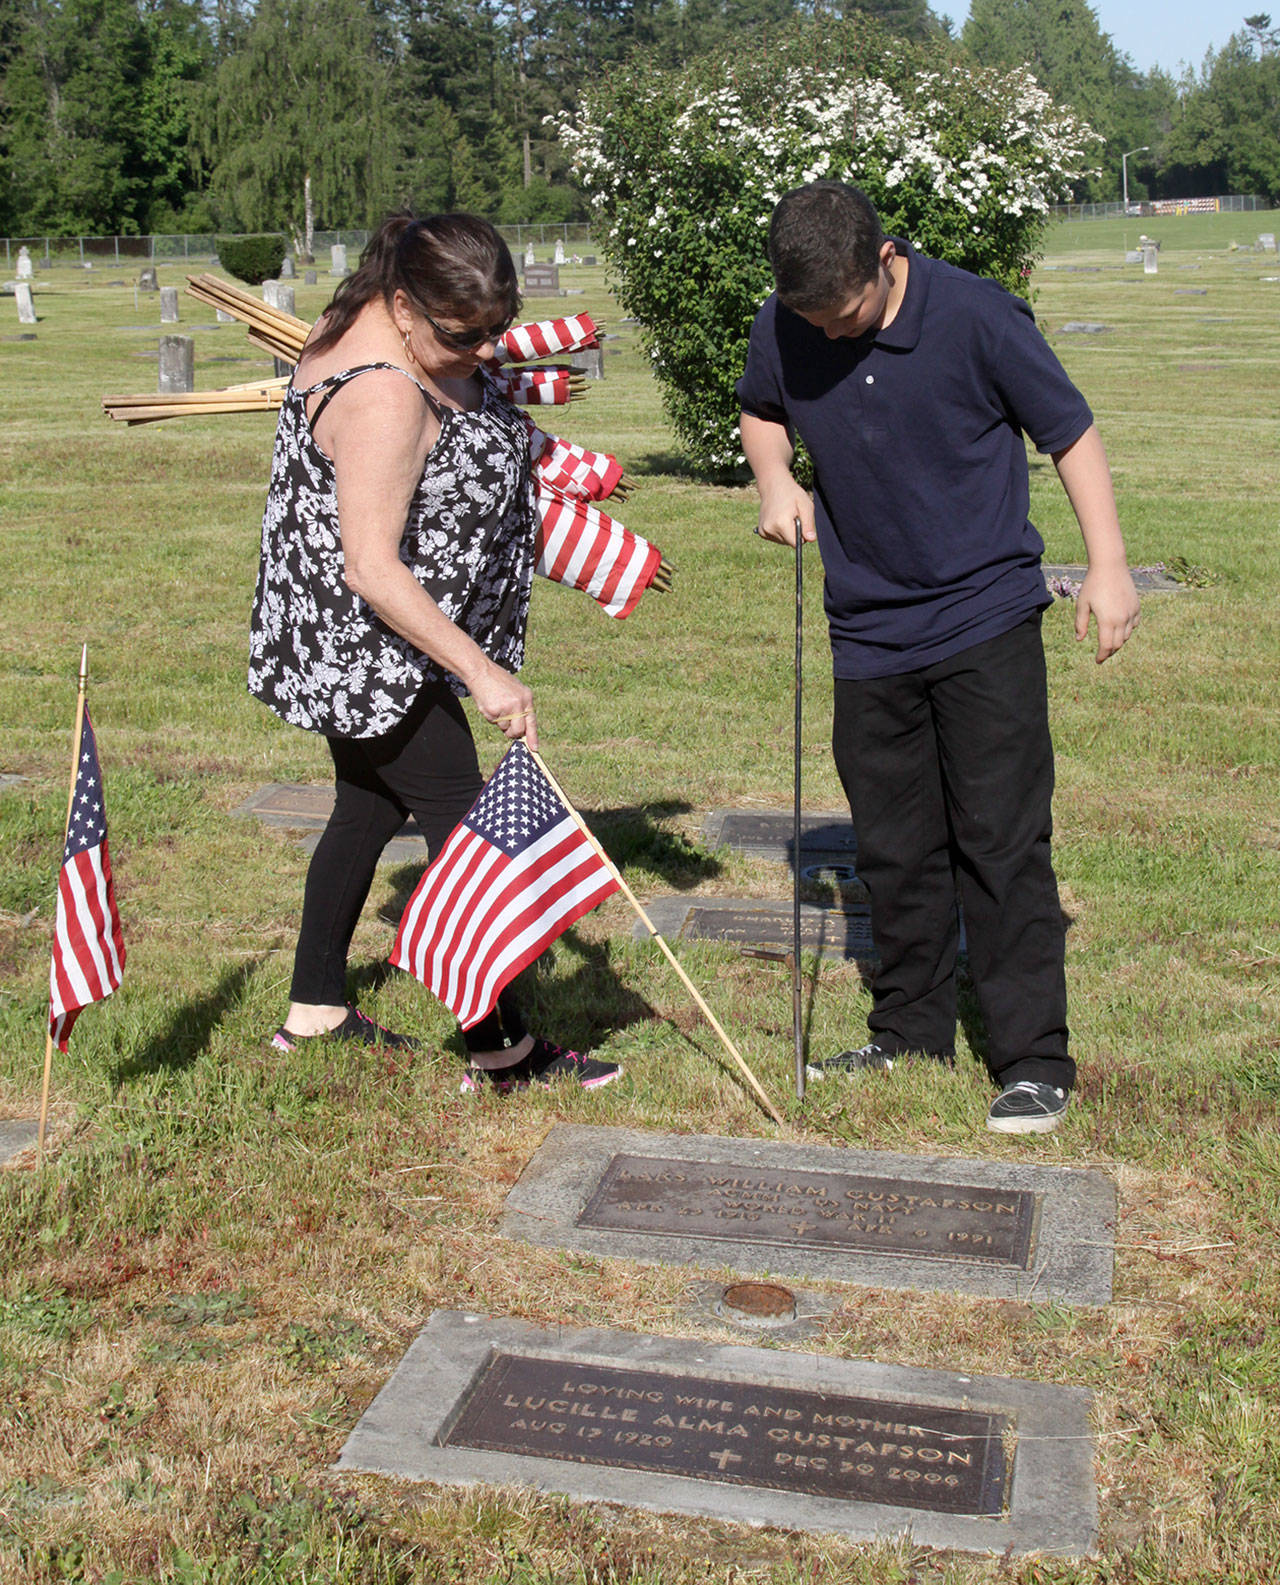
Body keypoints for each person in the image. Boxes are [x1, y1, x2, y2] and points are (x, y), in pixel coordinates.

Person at [736, 182, 1139, 1135]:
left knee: (1000, 839)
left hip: (983, 615)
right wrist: (775, 478)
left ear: (883, 261)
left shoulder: (976, 314)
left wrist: (1111, 569)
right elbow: (761, 408)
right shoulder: (788, 320)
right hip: (868, 628)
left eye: (845, 319)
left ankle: (1033, 1057)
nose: (828, 339)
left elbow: (1071, 434)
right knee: (893, 845)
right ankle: (908, 1027)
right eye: (811, 323)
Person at [248, 211, 620, 1093]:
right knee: (467, 831)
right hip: (368, 649)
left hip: (373, 640)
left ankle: (315, 1011)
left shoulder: (390, 325)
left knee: (368, 808)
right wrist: (481, 670)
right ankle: (506, 1051)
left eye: (500, 328)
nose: (489, 350)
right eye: (466, 335)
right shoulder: (381, 392)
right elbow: (372, 568)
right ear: (405, 307)